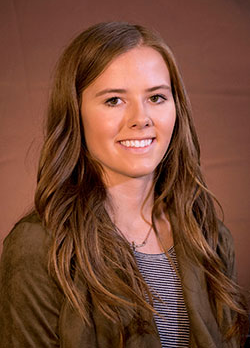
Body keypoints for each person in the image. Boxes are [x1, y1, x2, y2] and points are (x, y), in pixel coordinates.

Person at [0, 21, 248, 348]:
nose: (141, 118)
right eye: (114, 100)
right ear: (76, 112)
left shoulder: (210, 239)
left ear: (177, 109)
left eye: (157, 97)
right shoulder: (39, 247)